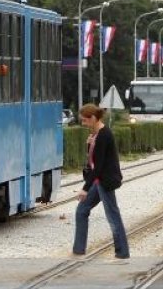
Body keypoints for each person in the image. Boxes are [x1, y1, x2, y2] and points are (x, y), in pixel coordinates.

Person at [72, 104, 129, 259]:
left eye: (85, 121)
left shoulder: (104, 135)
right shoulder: (96, 135)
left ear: (93, 118)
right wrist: (89, 145)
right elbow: (91, 162)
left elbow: (98, 167)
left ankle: (122, 252)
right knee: (81, 210)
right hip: (99, 180)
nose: (83, 124)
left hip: (106, 181)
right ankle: (78, 250)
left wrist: (85, 188)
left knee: (112, 215)